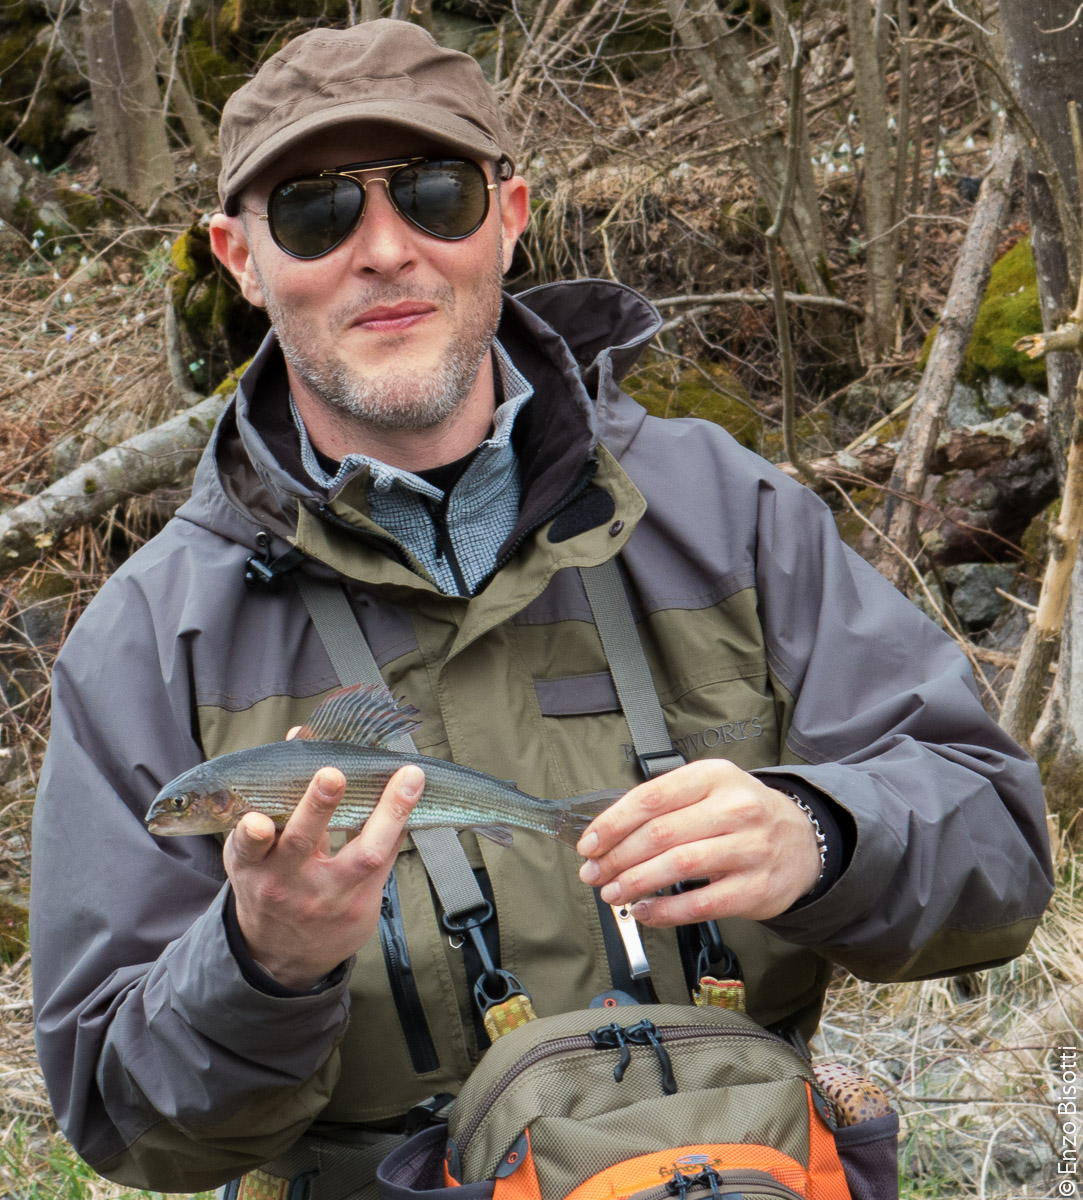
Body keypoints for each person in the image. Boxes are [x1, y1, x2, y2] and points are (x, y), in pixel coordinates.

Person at [31, 17, 1053, 1200]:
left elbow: (999, 854)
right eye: (317, 212)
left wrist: (823, 835)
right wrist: (260, 967)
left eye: (435, 194)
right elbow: (124, 1122)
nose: (386, 250)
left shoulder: (731, 513)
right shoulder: (146, 642)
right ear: (240, 259)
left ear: (508, 218)